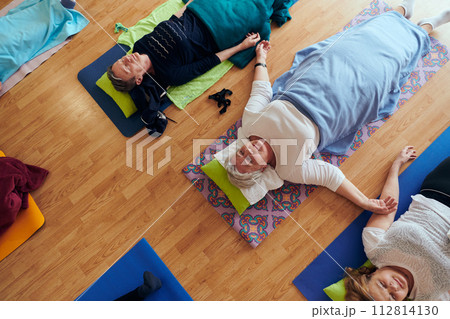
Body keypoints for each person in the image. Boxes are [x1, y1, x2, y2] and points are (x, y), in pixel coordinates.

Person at [224, 0, 450, 214]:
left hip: (314, 79)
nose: (250, 151)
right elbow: (330, 176)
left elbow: (262, 89)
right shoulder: (288, 169)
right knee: (386, 65)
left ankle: (401, 10)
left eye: (242, 152)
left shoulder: (251, 123)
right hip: (340, 107)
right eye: (251, 161)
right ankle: (427, 27)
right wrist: (364, 201)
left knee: (359, 41)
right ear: (262, 169)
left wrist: (260, 57)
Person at [106, 0, 261, 130]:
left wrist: (193, 2)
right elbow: (208, 62)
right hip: (217, 29)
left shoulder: (139, 46)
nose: (126, 60)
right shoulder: (169, 75)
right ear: (139, 79)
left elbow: (172, 20)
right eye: (126, 68)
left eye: (120, 60)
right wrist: (242, 46)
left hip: (199, 10)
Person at [344, 147, 450, 301]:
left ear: (370, 275)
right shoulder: (430, 299)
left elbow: (388, 206)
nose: (393, 287)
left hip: (441, 190)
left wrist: (396, 166)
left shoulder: (375, 248)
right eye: (392, 297)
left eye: (382, 284)